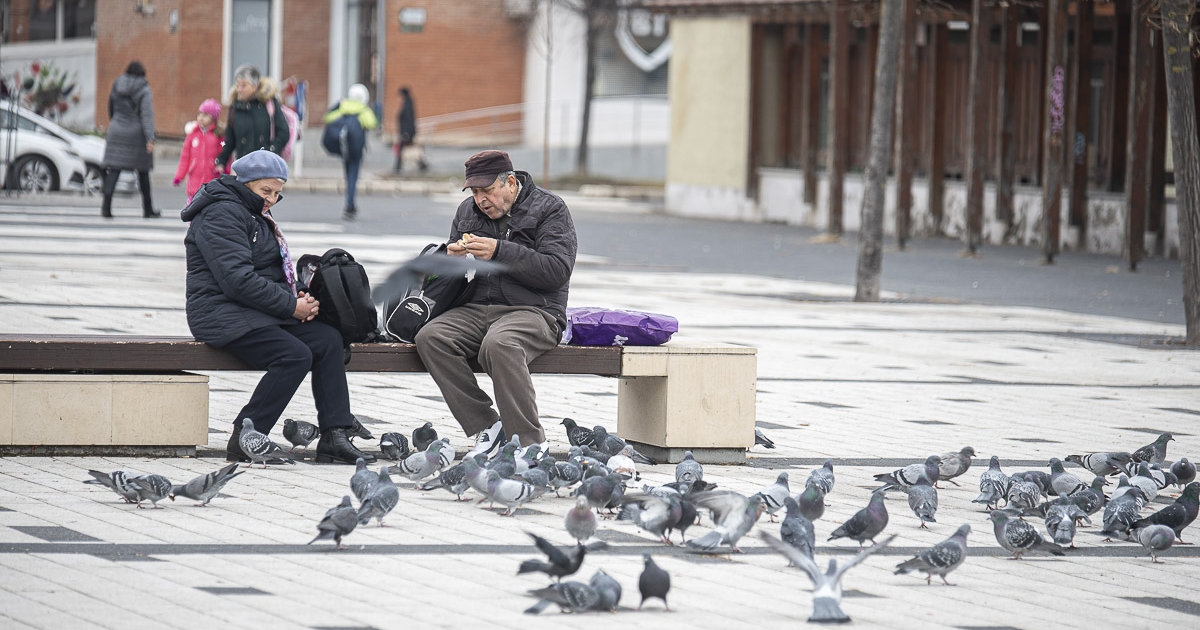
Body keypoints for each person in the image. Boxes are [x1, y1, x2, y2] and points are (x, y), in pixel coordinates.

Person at [181, 150, 375, 465]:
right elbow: (237, 281)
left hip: (253, 311)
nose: (272, 198)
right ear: (245, 184)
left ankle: (334, 436)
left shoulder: (252, 212)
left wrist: (301, 296)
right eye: (266, 191)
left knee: (326, 340)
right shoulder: (221, 214)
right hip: (220, 313)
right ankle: (247, 436)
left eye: (277, 192)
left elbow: (269, 272)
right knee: (294, 354)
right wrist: (290, 306)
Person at [414, 150, 577, 458]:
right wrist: (447, 260)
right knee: (431, 337)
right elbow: (439, 284)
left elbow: (557, 271)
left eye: (487, 190)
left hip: (536, 310)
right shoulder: (467, 212)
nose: (480, 199)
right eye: (474, 192)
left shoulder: (550, 209)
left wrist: (500, 251)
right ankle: (488, 425)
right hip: (478, 307)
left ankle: (529, 443)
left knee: (500, 344)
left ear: (510, 182)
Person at [100, 61, 157, 219]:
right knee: (143, 170)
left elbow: (110, 107)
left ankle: (106, 207)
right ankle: (148, 209)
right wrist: (150, 138)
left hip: (116, 129)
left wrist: (116, 122)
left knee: (114, 169)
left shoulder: (116, 84)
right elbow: (147, 115)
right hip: (135, 133)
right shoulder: (144, 89)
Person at [216, 64, 290, 169]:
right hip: (244, 166)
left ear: (255, 86)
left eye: (244, 85)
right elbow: (229, 139)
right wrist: (221, 160)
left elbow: (283, 132)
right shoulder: (235, 107)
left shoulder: (269, 103)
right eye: (237, 85)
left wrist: (270, 151)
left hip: (267, 166)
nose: (239, 89)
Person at [323, 83, 378, 220]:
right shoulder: (364, 110)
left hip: (344, 148)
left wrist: (337, 105)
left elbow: (328, 118)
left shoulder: (343, 107)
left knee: (348, 174)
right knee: (353, 176)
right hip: (357, 149)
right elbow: (372, 123)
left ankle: (349, 201)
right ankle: (350, 204)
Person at [173, 99, 223, 204]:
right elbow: (185, 157)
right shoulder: (192, 135)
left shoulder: (218, 136)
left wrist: (224, 170)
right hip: (194, 183)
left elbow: (224, 154)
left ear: (213, 118)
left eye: (205, 115)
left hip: (211, 181)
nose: (201, 117)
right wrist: (179, 176)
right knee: (193, 208)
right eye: (199, 114)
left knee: (209, 210)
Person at [393, 86, 427, 173]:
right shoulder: (407, 104)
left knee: (402, 148)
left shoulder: (407, 105)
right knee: (408, 148)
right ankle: (421, 164)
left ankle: (398, 166)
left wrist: (406, 133)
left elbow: (408, 120)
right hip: (407, 132)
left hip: (406, 132)